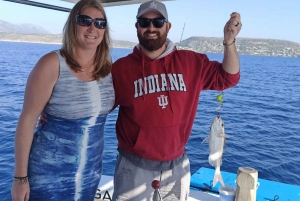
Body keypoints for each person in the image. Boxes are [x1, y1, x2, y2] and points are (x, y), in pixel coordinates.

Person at [111, 0, 241, 200]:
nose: (151, 27)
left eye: (158, 22)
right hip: (133, 167)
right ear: (137, 26)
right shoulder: (120, 69)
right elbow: (97, 107)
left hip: (177, 167)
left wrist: (229, 41)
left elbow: (228, 77)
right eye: (144, 22)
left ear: (168, 26)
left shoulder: (191, 62)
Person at [10, 0, 114, 200]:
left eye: (100, 23)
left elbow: (99, 106)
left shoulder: (107, 66)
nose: (93, 27)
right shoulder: (51, 64)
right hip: (48, 174)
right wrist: (20, 178)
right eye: (85, 21)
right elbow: (27, 120)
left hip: (89, 173)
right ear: (72, 25)